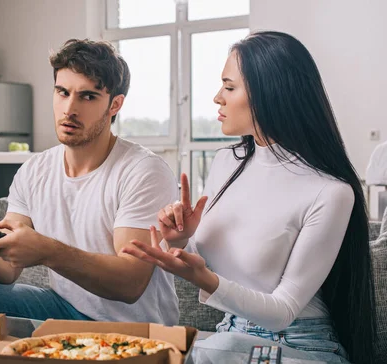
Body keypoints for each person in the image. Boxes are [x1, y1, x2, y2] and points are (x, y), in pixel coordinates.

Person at [122, 31, 376, 363]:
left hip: (301, 347)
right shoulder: (227, 162)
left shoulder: (331, 192)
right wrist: (182, 239)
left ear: (270, 93)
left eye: (229, 87)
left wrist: (207, 281)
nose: (217, 97)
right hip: (230, 335)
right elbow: (210, 260)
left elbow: (282, 311)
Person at [0, 39, 181, 326]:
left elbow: (130, 284)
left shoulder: (143, 171)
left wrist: (48, 250)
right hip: (65, 311)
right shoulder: (35, 170)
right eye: (62, 92)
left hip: (132, 327)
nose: (69, 109)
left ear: (115, 105)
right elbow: (5, 271)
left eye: (88, 97)